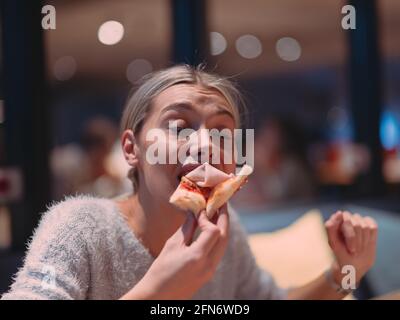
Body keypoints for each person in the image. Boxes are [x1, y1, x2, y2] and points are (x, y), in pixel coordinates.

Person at [1, 65, 378, 300]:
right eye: (180, 127)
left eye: (221, 132)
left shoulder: (225, 233)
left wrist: (344, 273)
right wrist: (158, 292)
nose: (205, 145)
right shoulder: (78, 226)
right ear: (131, 149)